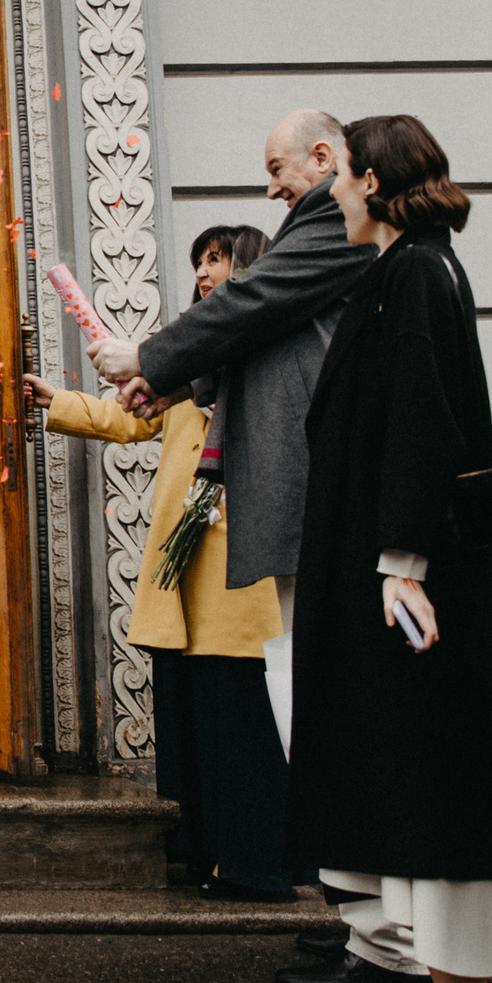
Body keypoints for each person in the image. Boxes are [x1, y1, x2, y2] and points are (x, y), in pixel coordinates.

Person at [86, 109, 411, 983]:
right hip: (291, 500)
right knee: (303, 697)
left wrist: (148, 353)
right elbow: (255, 336)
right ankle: (374, 927)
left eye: (277, 167)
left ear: (325, 156)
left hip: (308, 495)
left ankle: (396, 938)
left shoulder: (330, 221)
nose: (270, 187)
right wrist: (168, 380)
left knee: (321, 701)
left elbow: (254, 304)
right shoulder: (330, 223)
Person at [286, 114, 492, 983]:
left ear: (371, 180)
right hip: (398, 565)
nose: (331, 193)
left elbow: (422, 419)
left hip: (400, 576)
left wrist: (401, 564)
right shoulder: (418, 266)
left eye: (341, 177)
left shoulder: (411, 272)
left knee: (425, 790)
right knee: (426, 790)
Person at [30, 223, 289, 898]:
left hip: (234, 557)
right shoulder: (188, 358)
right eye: (199, 260)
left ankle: (256, 860)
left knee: (235, 714)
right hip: (182, 557)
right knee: (191, 707)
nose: (203, 272)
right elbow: (133, 418)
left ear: (251, 271)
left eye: (217, 260)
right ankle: (202, 846)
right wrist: (59, 401)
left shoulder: (259, 352)